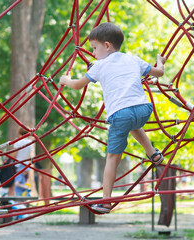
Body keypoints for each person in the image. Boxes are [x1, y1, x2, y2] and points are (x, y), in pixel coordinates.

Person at [59, 22, 166, 214]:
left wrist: (65, 80)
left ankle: (106, 201)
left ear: (107, 46)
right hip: (144, 109)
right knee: (133, 124)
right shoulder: (133, 59)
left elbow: (76, 85)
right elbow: (159, 72)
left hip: (120, 113)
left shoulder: (99, 66)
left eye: (94, 48)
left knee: (112, 157)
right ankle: (153, 153)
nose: (92, 53)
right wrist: (160, 60)